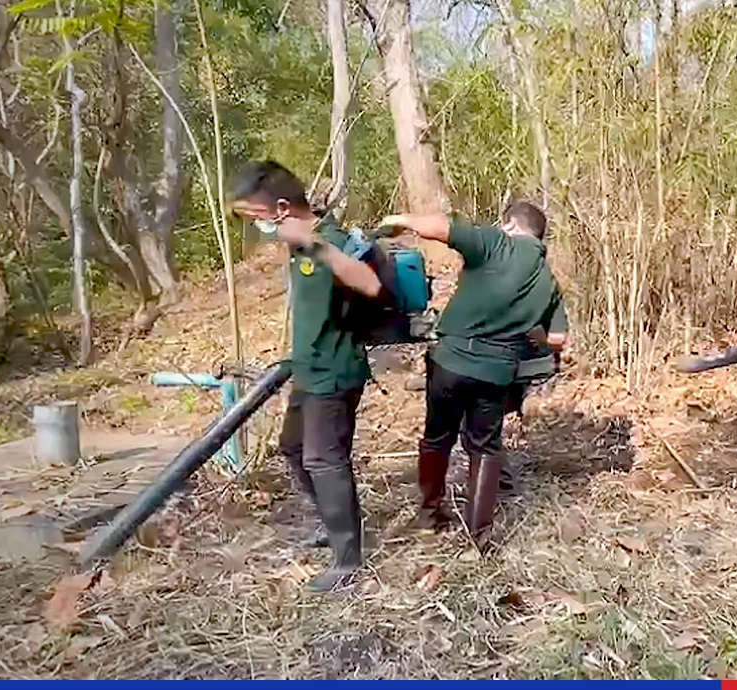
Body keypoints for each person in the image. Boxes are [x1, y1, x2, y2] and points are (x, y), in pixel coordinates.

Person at [229, 160, 384, 593]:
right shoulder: (298, 245)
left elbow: (369, 285)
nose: (258, 228)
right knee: (294, 448)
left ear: (281, 208)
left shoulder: (328, 239)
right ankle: (335, 524)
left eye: (257, 219)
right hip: (309, 368)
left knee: (323, 459)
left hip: (335, 371)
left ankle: (348, 560)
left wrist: (314, 244)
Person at [380, 202, 569, 551]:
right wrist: (535, 334)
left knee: (437, 438)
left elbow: (442, 227)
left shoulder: (497, 242)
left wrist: (400, 220)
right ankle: (478, 537)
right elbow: (558, 340)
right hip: (498, 372)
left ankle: (429, 515)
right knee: (484, 447)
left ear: (510, 224)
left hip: (451, 362)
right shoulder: (548, 280)